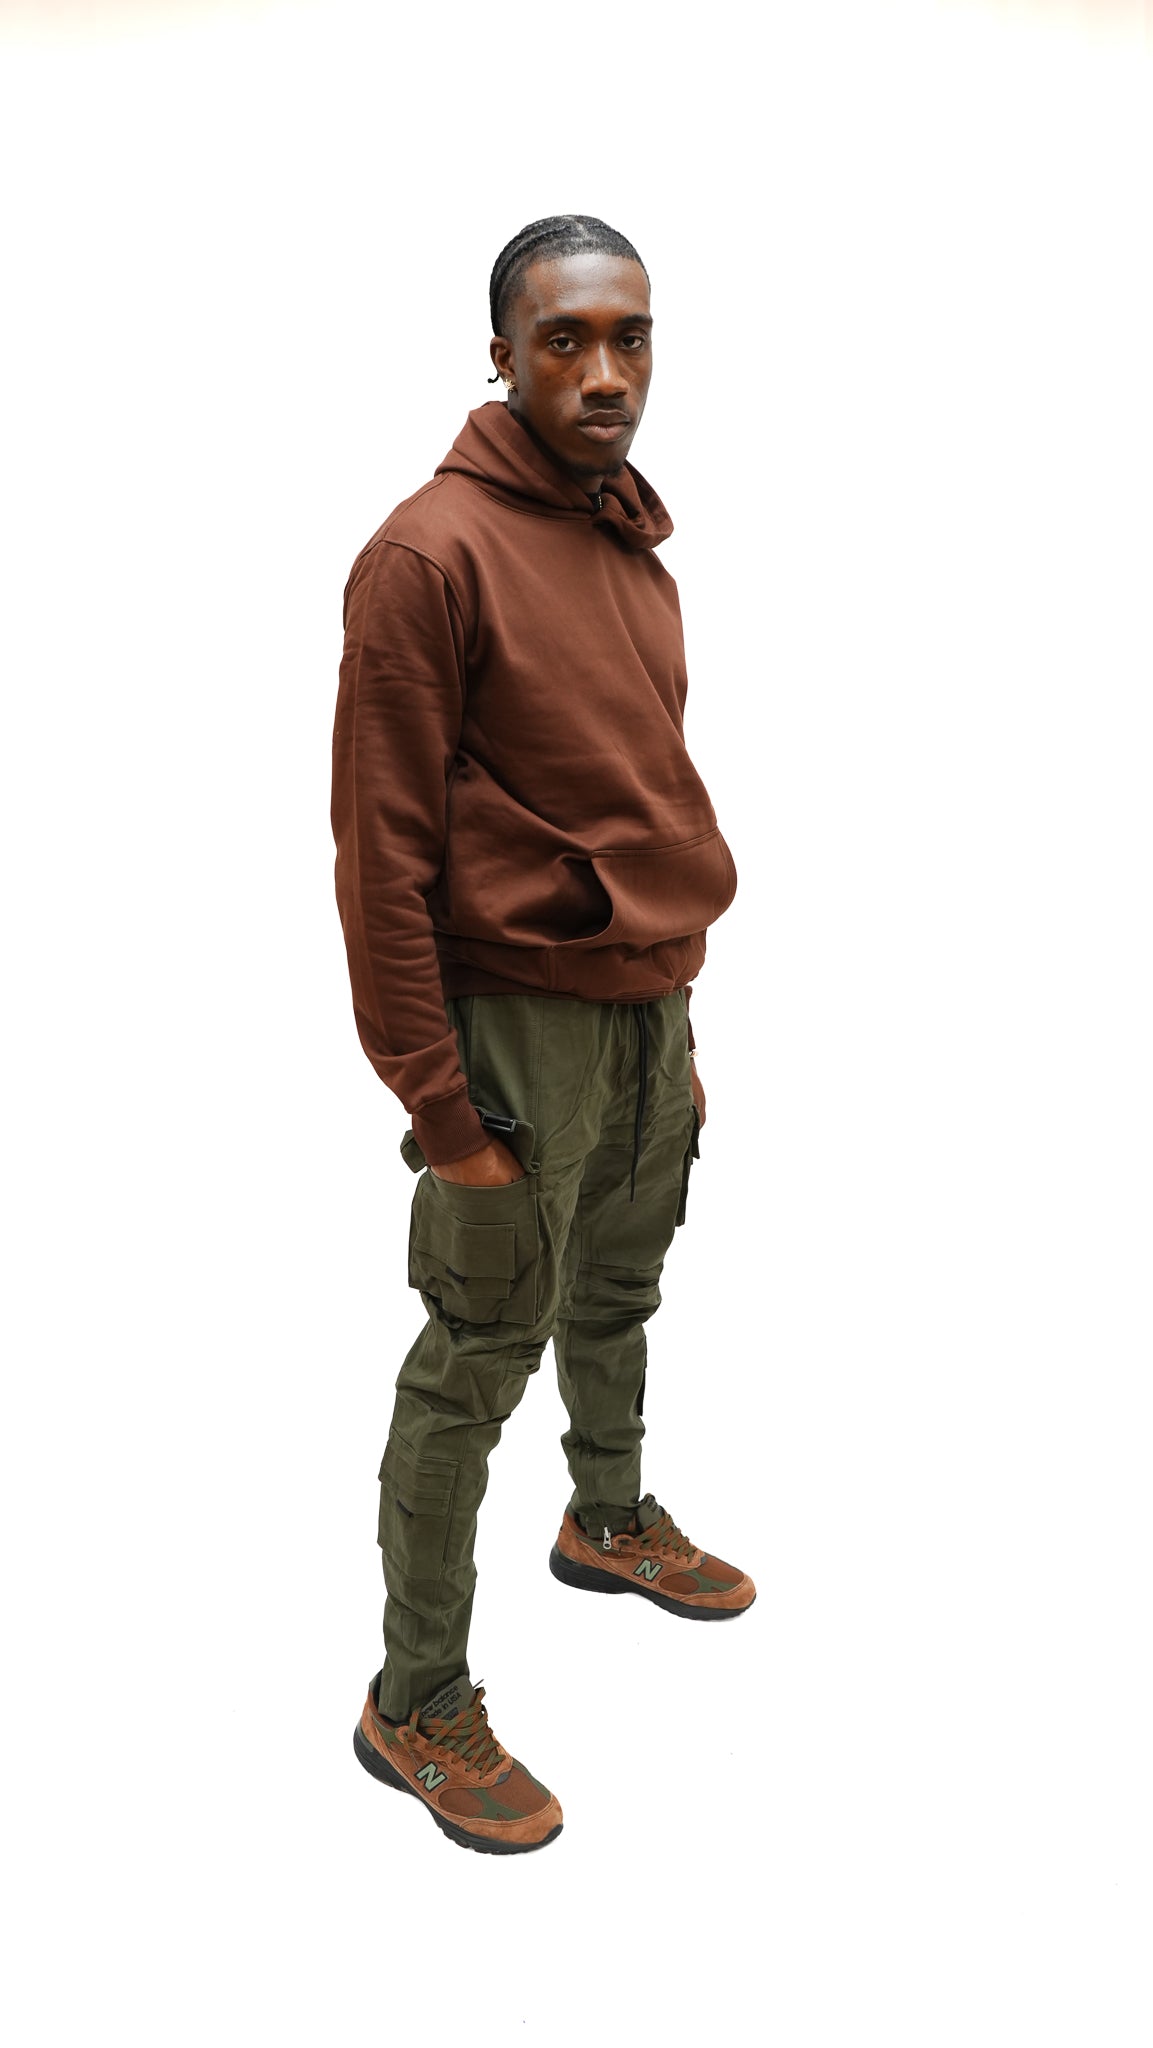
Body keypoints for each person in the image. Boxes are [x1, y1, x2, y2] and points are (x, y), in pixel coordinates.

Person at [331, 214, 753, 1856]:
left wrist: (671, 1018)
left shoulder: (630, 545)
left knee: (619, 1287)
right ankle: (415, 1699)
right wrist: (438, 1107)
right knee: (474, 1356)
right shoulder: (427, 554)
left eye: (628, 336)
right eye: (564, 339)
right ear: (500, 354)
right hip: (511, 1030)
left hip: (646, 1013)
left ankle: (608, 1516)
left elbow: (637, 799)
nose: (603, 371)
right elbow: (379, 859)